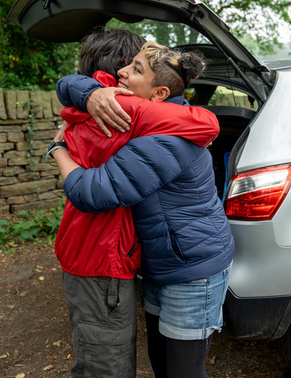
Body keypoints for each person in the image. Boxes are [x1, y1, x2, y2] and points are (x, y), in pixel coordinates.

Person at [51, 40, 235, 378]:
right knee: (161, 362)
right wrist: (90, 93)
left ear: (160, 94)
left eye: (136, 69)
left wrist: (58, 148)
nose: (122, 72)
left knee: (183, 372)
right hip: (160, 264)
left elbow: (90, 192)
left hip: (193, 270)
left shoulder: (168, 140)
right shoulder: (149, 120)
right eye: (129, 64)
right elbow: (73, 84)